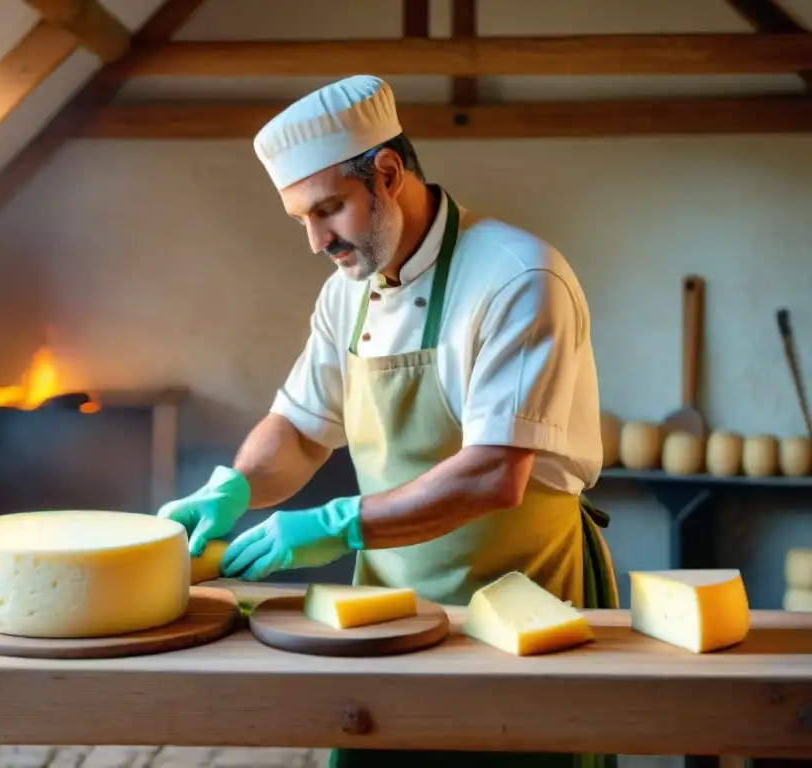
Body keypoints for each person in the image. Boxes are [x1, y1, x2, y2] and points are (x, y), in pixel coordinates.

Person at [158, 75, 618, 768]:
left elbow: (494, 474)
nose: (316, 241)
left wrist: (335, 524)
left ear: (389, 172)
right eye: (301, 221)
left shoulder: (518, 278)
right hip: (385, 616)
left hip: (522, 612)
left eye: (329, 210)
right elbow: (302, 426)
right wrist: (237, 487)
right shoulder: (348, 294)